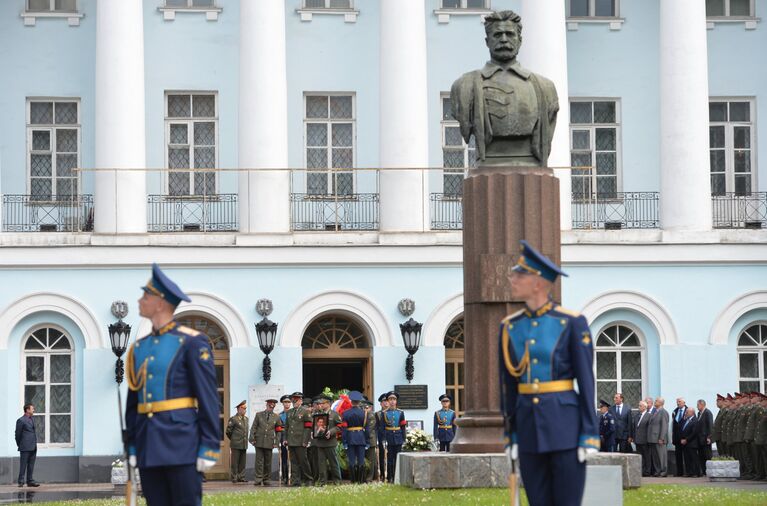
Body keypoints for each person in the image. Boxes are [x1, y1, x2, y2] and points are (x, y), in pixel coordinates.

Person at [499, 240, 599, 506]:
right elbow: (508, 385)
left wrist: (589, 433)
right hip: (528, 428)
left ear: (538, 282)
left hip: (565, 427)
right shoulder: (510, 327)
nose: (512, 279)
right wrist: (512, 433)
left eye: (519, 274)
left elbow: (586, 381)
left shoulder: (571, 322)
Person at [125, 263, 221, 505]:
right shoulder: (139, 347)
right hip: (148, 444)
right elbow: (133, 403)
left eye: (145, 295)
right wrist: (133, 446)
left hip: (182, 443)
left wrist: (209, 444)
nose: (140, 300)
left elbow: (208, 397)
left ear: (160, 303)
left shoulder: (191, 342)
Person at [450, 10, 559, 167]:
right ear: (487, 41)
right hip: (487, 163)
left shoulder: (545, 87)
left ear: (520, 40)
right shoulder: (464, 85)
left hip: (530, 162)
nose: (504, 39)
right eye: (497, 35)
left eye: (509, 34)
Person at [249, 398, 281, 486]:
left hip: (269, 442)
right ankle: (258, 479)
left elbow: (278, 431)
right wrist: (251, 438)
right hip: (259, 441)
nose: (271, 408)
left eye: (272, 407)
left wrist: (276, 442)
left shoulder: (277, 417)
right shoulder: (259, 415)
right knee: (258, 461)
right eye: (269, 406)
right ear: (266, 405)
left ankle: (266, 479)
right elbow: (254, 427)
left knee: (268, 462)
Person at [284, 391, 313, 487]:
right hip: (291, 441)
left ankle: (308, 479)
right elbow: (287, 427)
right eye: (294, 400)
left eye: (297, 399)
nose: (295, 401)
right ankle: (295, 481)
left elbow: (308, 427)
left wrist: (305, 440)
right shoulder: (289, 412)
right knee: (294, 462)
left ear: (301, 401)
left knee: (303, 461)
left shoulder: (305, 412)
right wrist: (285, 439)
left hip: (301, 441)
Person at [312, 394, 342, 486]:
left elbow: (340, 426)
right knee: (321, 464)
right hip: (320, 443)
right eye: (320, 403)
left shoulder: (334, 414)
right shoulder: (318, 414)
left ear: (328, 404)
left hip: (330, 443)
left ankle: (337, 481)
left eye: (323, 403)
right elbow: (315, 426)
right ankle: (322, 482)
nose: (320, 404)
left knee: (334, 463)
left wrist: (331, 431)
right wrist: (313, 432)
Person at [341, 391, 369, 483]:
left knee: (351, 461)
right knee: (361, 460)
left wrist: (344, 441)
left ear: (351, 401)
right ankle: (361, 480)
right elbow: (367, 429)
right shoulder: (364, 413)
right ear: (359, 402)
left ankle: (353, 480)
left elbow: (344, 429)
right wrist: (367, 441)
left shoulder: (345, 413)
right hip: (361, 438)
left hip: (350, 438)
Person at [384, 391, 407, 483]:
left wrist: (404, 438)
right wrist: (382, 439)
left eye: (394, 399)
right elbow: (382, 427)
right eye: (390, 399)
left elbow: (403, 426)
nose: (392, 401)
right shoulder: (384, 413)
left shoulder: (401, 413)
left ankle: (399, 477)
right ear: (388, 401)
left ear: (396, 401)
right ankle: (390, 477)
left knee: (398, 458)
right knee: (390, 459)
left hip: (398, 437)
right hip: (389, 438)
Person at [15, 404, 39, 488]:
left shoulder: (32, 419)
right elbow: (17, 434)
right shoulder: (21, 420)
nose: (34, 410)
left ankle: (30, 481)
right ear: (27, 410)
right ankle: (21, 481)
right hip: (25, 447)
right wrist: (20, 444)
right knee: (23, 465)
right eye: (32, 409)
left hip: (33, 446)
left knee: (31, 465)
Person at [225, 400, 249, 483]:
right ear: (239, 409)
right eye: (243, 408)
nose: (245, 410)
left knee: (242, 462)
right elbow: (228, 431)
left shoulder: (246, 419)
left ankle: (241, 477)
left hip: (244, 443)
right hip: (236, 444)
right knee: (235, 462)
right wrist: (234, 439)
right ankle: (234, 477)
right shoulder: (233, 419)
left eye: (246, 408)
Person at [648, 397, 670, 477]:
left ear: (661, 403)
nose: (655, 402)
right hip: (653, 438)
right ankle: (657, 471)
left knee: (661, 456)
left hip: (659, 439)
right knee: (656, 457)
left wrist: (662, 438)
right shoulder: (655, 411)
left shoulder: (663, 412)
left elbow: (664, 426)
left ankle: (663, 471)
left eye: (656, 401)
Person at [680, 407, 700, 477]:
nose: (686, 413)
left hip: (692, 443)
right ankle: (689, 472)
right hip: (685, 443)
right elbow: (683, 429)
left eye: (687, 412)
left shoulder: (695, 420)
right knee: (687, 459)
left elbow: (694, 433)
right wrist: (682, 439)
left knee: (693, 458)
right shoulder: (686, 420)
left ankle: (695, 473)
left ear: (692, 412)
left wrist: (686, 440)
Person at [633, 401, 652, 477]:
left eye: (640, 406)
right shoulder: (637, 416)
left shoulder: (649, 416)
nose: (639, 407)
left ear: (645, 407)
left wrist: (648, 439)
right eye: (639, 405)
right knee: (640, 457)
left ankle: (647, 471)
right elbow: (635, 427)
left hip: (645, 440)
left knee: (646, 456)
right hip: (637, 440)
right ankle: (641, 471)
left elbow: (649, 429)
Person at [696, 399, 714, 477]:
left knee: (707, 455)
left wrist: (709, 437)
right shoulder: (699, 413)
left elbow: (710, 426)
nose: (697, 406)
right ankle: (704, 471)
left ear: (702, 404)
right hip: (700, 439)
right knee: (701, 456)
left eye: (698, 405)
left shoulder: (707, 413)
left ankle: (710, 471)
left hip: (705, 439)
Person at [672, 397, 688, 476]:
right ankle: (679, 472)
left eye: (679, 401)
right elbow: (674, 426)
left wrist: (686, 438)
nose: (678, 403)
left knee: (686, 456)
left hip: (685, 438)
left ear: (684, 402)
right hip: (677, 438)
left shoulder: (688, 411)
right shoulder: (675, 411)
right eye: (677, 402)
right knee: (678, 456)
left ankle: (688, 472)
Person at [362, 398, 378, 482]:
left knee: (371, 459)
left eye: (367, 407)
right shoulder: (363, 415)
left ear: (370, 408)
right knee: (365, 459)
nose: (365, 409)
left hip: (370, 440)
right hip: (363, 440)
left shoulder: (371, 415)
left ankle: (370, 477)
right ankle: (366, 476)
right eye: (364, 407)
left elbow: (369, 428)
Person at [278, 395, 292, 485]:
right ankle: (285, 477)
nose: (287, 404)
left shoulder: (294, 413)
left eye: (288, 402)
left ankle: (294, 477)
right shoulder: (280, 415)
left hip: (293, 438)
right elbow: (278, 429)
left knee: (293, 459)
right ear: (283, 403)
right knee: (284, 458)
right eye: (285, 402)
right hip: (283, 438)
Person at [375, 393, 389, 482]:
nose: (386, 403)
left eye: (387, 401)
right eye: (384, 401)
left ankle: (391, 474)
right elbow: (376, 427)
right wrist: (376, 439)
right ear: (380, 403)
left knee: (391, 457)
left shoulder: (392, 412)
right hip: (381, 438)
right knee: (381, 457)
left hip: (391, 437)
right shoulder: (378, 414)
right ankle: (383, 475)